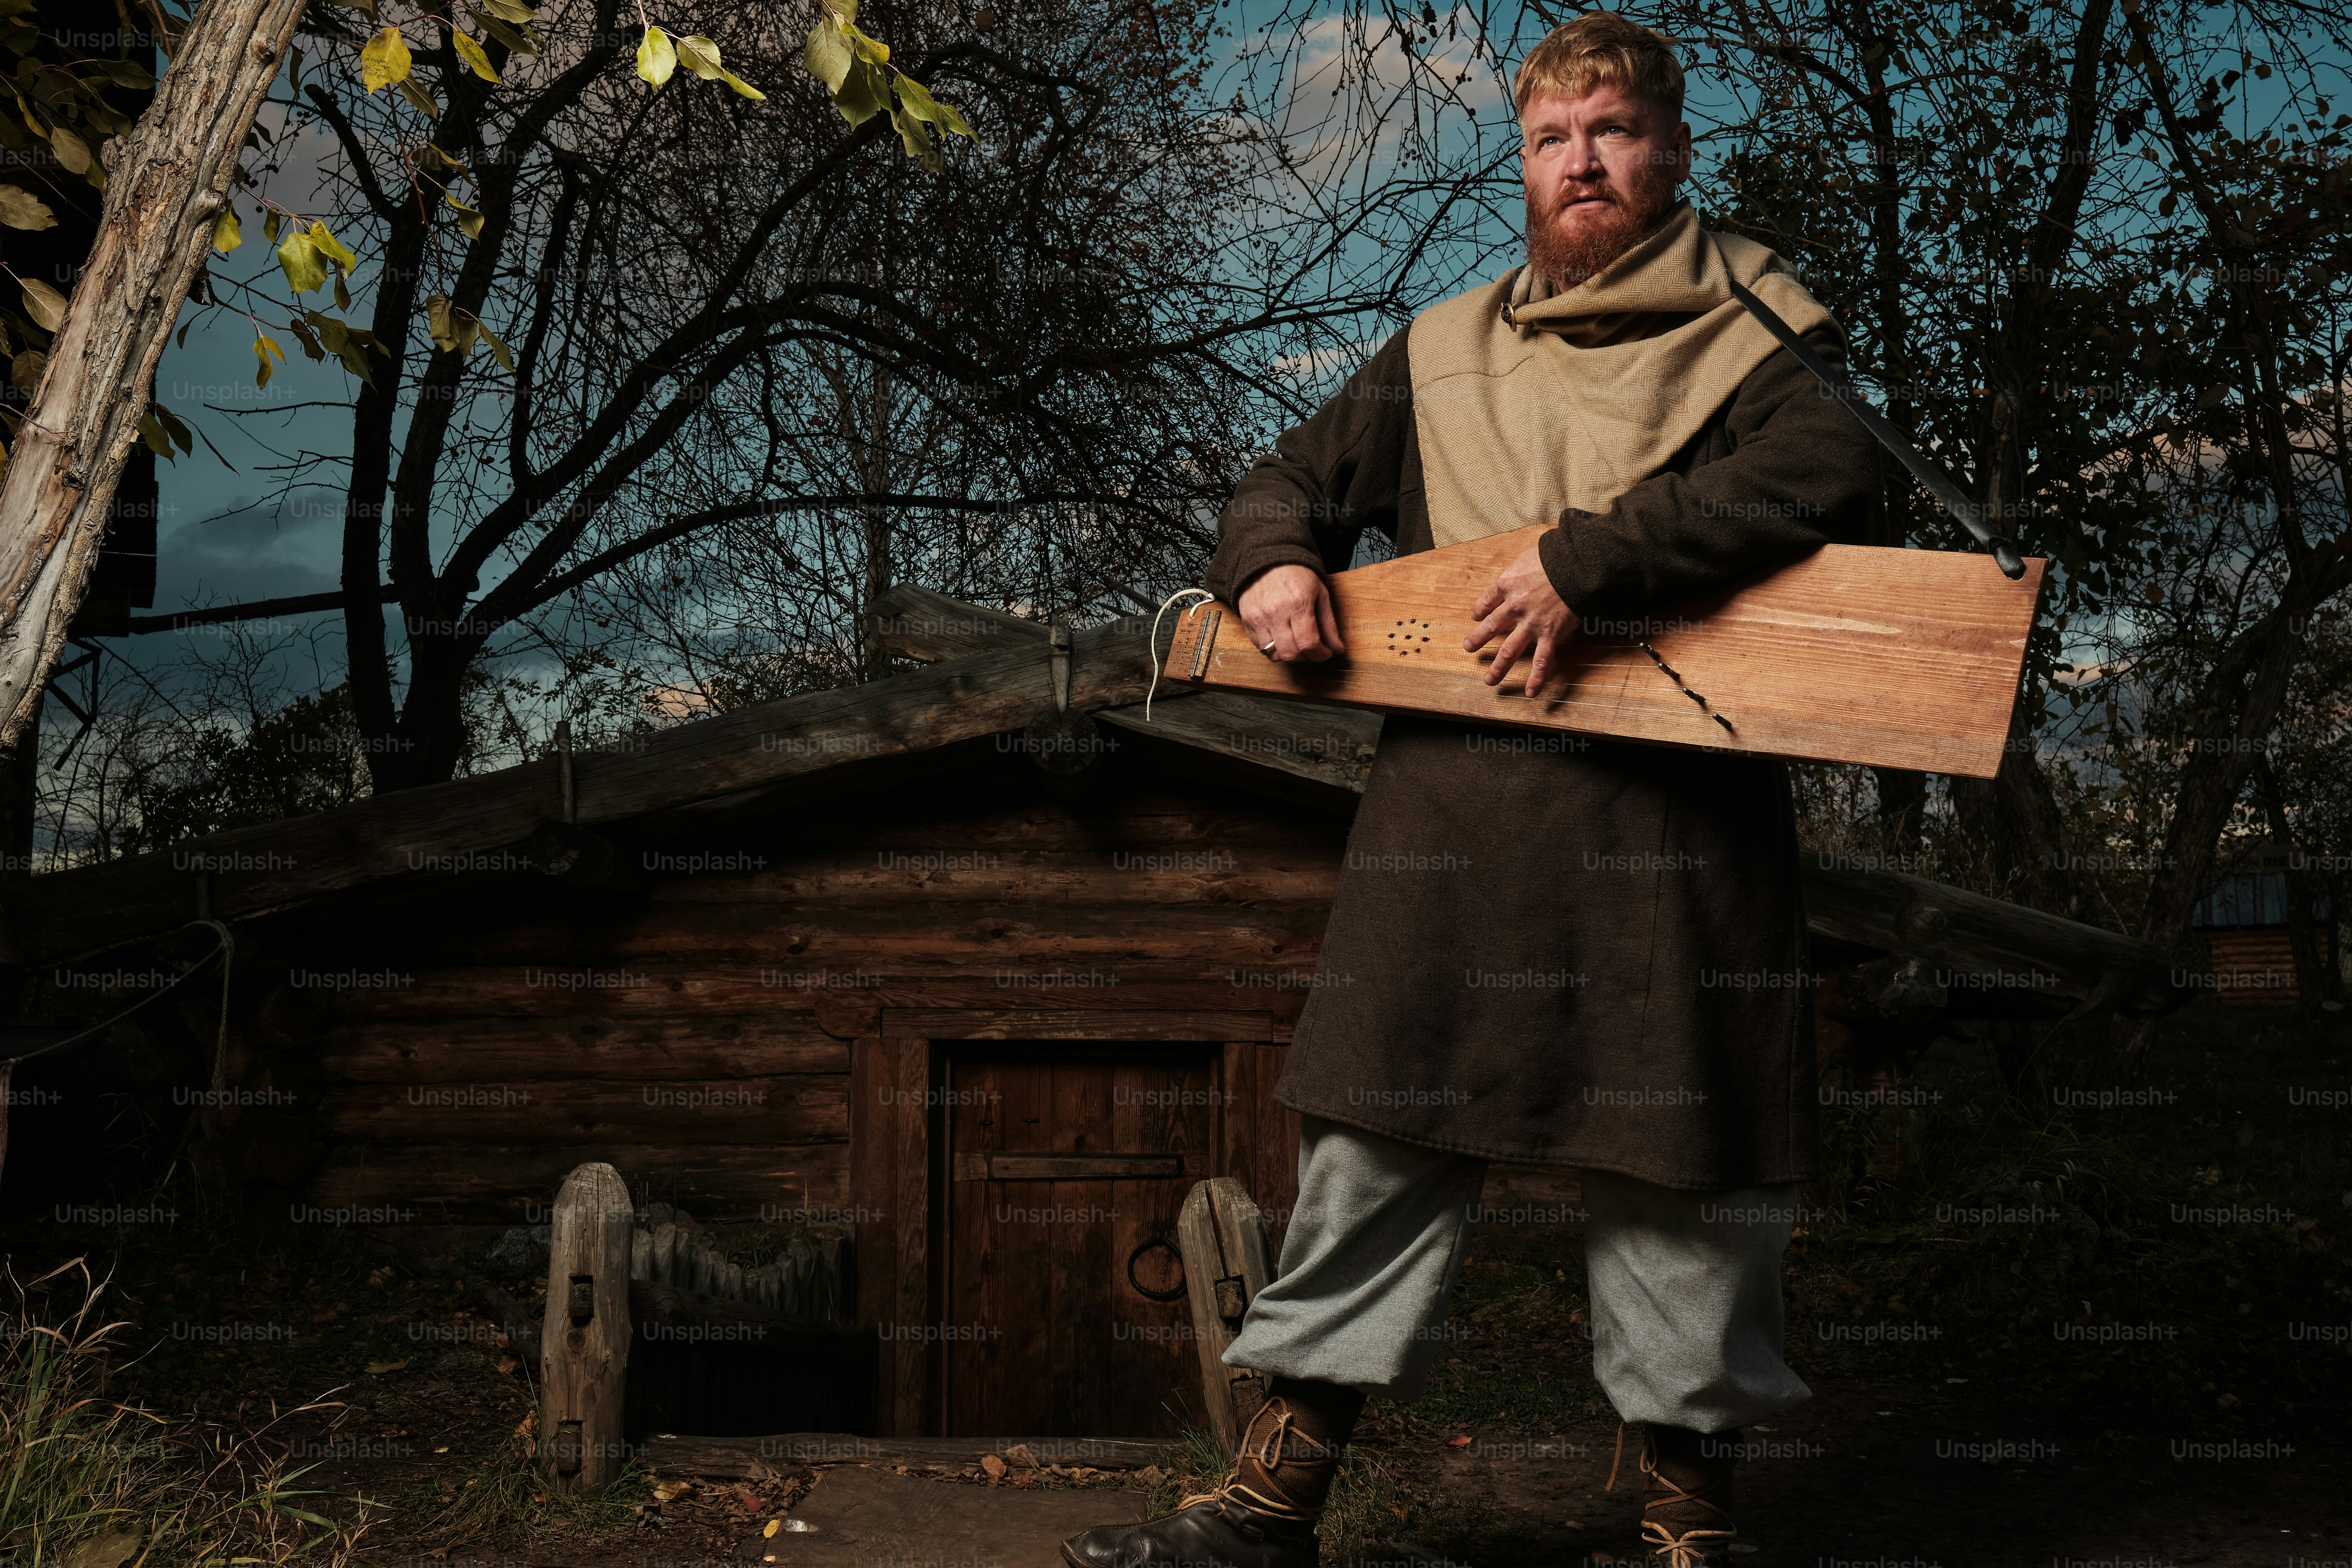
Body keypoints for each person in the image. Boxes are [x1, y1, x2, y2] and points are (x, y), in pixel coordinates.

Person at [1063, 12, 1883, 1567]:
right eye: (1550, 139)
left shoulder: (1757, 326)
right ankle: (1264, 1508)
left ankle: (1686, 1530)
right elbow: (1283, 480)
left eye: (1615, 132)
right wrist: (1278, 561)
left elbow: (1825, 469)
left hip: (1674, 841)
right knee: (1371, 1156)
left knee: (1677, 1180)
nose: (1582, 163)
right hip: (1452, 838)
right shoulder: (1444, 348)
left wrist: (1588, 558)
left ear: (1673, 149)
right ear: (1522, 162)